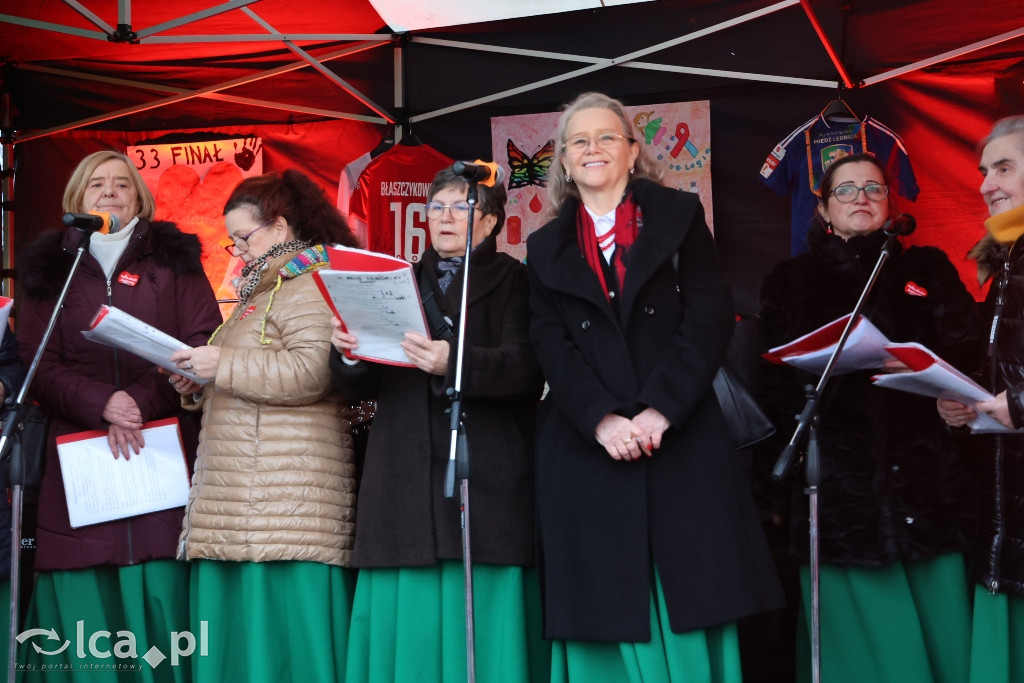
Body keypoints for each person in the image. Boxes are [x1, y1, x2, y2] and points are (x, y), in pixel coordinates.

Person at [525, 91, 783, 682]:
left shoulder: (680, 216)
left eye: (606, 136)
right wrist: (602, 418)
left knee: (691, 593)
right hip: (589, 447)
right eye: (579, 141)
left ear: (633, 149)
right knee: (603, 604)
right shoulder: (543, 248)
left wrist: (659, 410)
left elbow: (710, 315)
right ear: (563, 161)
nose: (593, 149)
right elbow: (549, 344)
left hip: (680, 434)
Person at [760, 152, 981, 683]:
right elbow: (772, 385)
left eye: (875, 188)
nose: (862, 197)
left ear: (891, 201)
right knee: (863, 652)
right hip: (840, 491)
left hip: (927, 484)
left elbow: (971, 354)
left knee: (943, 638)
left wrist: (956, 407)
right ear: (823, 209)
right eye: (847, 190)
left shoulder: (928, 268)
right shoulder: (792, 280)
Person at [330, 167, 547, 683]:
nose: (445, 218)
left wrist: (453, 362)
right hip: (402, 468)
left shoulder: (517, 281)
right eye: (436, 208)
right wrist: (348, 354)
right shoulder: (394, 280)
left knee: (486, 620)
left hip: (486, 468)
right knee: (410, 626)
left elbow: (527, 369)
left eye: (460, 208)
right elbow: (357, 386)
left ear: (491, 221)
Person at [15, 149, 222, 680]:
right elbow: (35, 362)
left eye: (121, 184)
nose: (109, 192)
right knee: (88, 596)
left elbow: (202, 338)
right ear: (76, 200)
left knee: (161, 587)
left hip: (160, 441)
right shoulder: (46, 268)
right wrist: (100, 402)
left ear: (139, 196)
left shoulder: (174, 258)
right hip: (78, 448)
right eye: (96, 185)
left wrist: (139, 399)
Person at [168, 170, 359, 683]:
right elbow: (251, 373)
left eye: (243, 238)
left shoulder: (315, 281)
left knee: (284, 646)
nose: (237, 251)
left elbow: (313, 373)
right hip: (242, 497)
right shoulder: (265, 286)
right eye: (231, 241)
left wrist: (221, 367)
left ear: (279, 227)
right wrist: (198, 384)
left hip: (285, 501)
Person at [937, 115, 1024, 683]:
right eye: (983, 171)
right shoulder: (1004, 262)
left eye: (1005, 167)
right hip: (1006, 518)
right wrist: (963, 401)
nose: (986, 183)